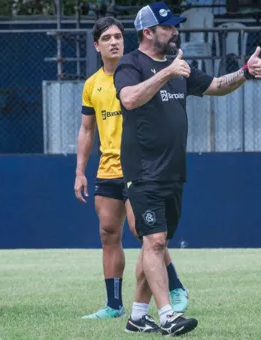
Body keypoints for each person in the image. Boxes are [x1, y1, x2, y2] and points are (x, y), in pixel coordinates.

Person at [114, 2, 261, 336]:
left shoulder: (177, 65)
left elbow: (215, 86)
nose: (175, 31)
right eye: (167, 27)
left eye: (173, 26)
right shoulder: (131, 64)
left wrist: (244, 72)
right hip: (143, 172)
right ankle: (168, 316)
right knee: (154, 241)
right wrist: (167, 73)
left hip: (173, 172)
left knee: (157, 244)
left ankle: (138, 317)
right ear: (148, 32)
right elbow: (128, 99)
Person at [74, 16, 189, 321]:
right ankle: (114, 305)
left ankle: (175, 287)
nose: (114, 42)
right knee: (108, 232)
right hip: (107, 170)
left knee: (147, 233)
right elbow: (87, 130)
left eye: (118, 36)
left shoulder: (137, 71)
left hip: (137, 169)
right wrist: (79, 172)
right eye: (107, 38)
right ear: (97, 45)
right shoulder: (92, 85)